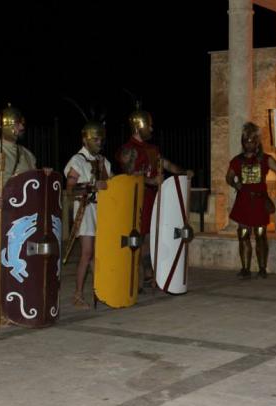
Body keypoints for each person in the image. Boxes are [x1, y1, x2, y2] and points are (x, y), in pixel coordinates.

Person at [117, 104, 192, 289]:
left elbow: (166, 164)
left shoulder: (152, 149)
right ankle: (133, 280)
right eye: (149, 125)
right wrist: (151, 181)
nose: (151, 128)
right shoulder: (127, 150)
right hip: (135, 200)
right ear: (138, 126)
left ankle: (149, 275)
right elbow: (129, 176)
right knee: (136, 239)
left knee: (149, 238)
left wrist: (184, 172)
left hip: (152, 200)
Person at [0, 104, 37, 323]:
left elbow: (34, 185)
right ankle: (1, 312)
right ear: (9, 125)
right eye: (19, 124)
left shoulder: (28, 154)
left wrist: (45, 176)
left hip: (23, 217)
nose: (22, 128)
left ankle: (20, 306)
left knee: (20, 260)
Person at [225, 122, 276, 279]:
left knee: (260, 234)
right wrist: (235, 184)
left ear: (257, 142)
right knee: (243, 234)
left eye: (252, 141)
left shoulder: (265, 159)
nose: (249, 144)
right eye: (246, 141)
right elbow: (229, 177)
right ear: (243, 142)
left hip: (259, 201)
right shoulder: (237, 160)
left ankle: (262, 268)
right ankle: (245, 268)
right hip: (244, 202)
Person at [64, 121, 111, 309]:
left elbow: (110, 184)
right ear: (85, 140)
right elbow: (70, 189)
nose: (99, 143)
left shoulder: (103, 161)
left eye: (101, 139)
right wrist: (91, 186)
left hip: (102, 211)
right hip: (85, 210)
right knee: (87, 252)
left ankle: (99, 291)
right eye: (95, 139)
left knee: (99, 254)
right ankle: (78, 295)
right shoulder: (77, 160)